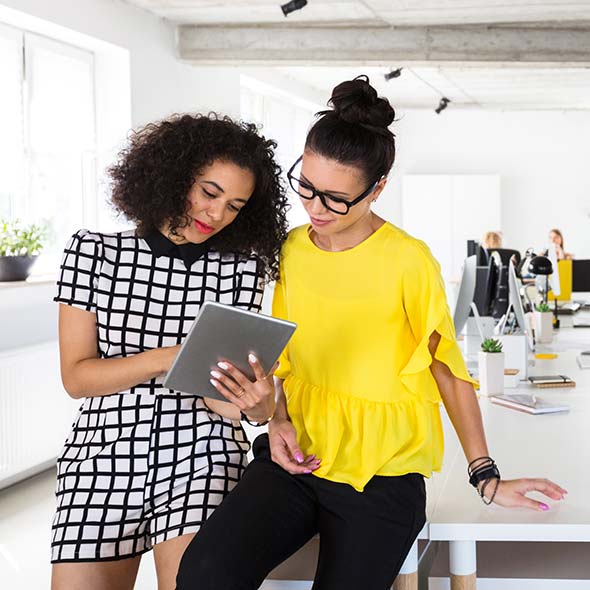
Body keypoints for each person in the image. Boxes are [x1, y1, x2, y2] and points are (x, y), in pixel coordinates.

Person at [176, 76, 567, 590]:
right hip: (298, 459)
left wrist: (484, 475)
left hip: (383, 475)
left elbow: (445, 368)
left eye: (336, 198)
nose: (315, 209)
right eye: (307, 187)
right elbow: (286, 360)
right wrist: (278, 420)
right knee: (204, 572)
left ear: (377, 188)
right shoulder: (291, 250)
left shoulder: (408, 260)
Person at [50, 113, 289, 590]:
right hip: (102, 453)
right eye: (209, 192)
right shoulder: (92, 251)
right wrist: (170, 356)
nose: (217, 214)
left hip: (202, 451)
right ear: (174, 176)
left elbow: (223, 398)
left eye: (236, 205)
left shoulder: (243, 270)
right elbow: (77, 378)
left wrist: (261, 408)